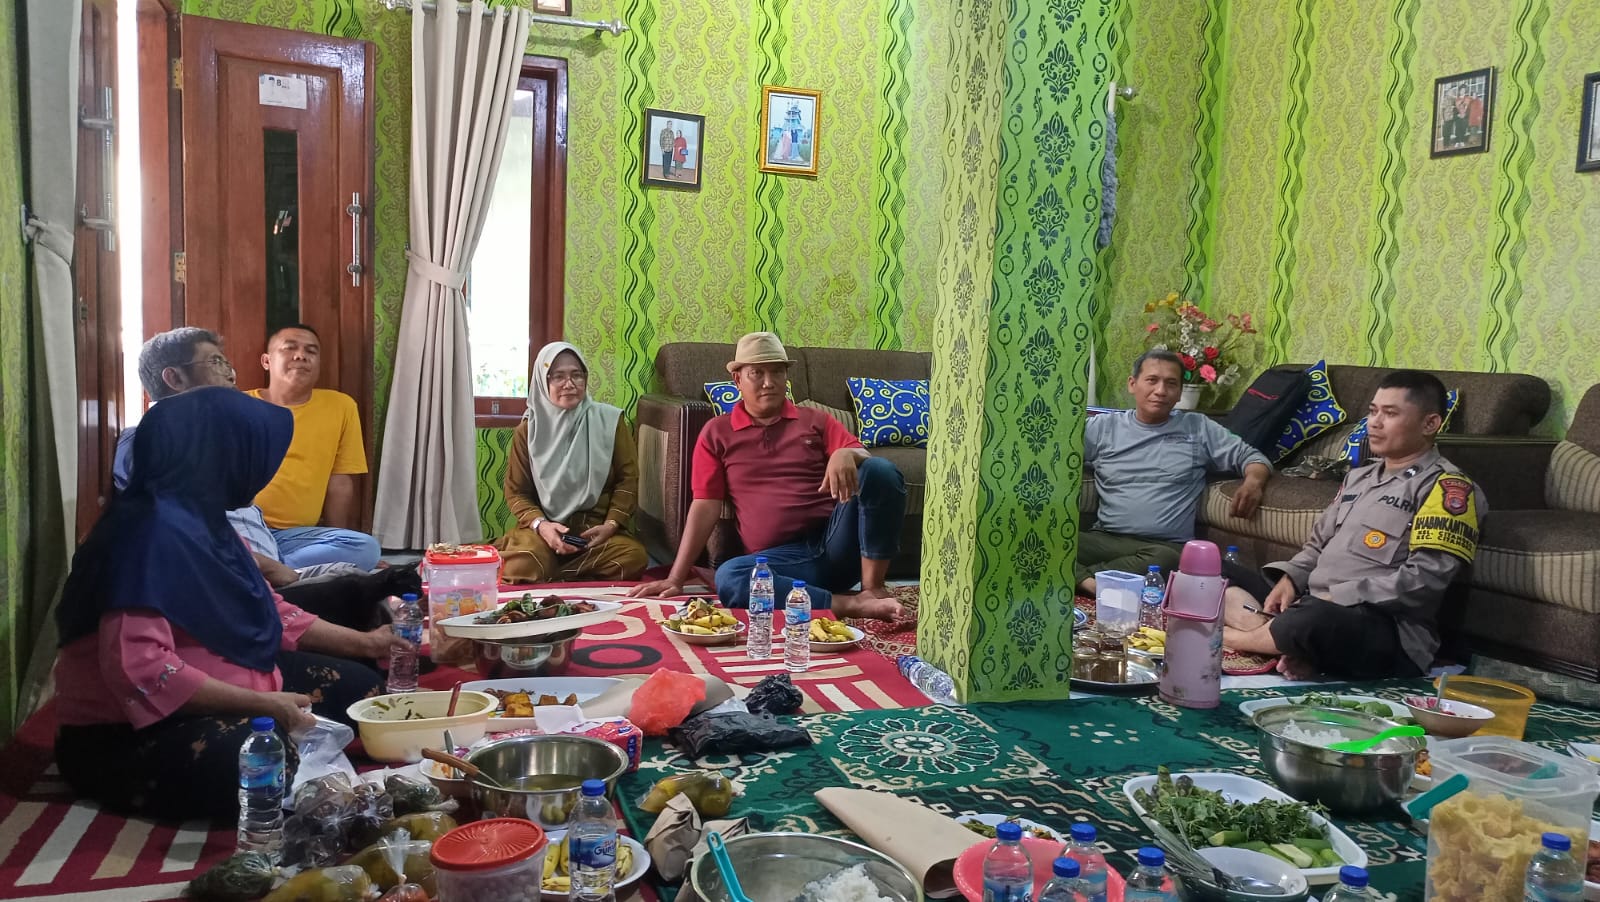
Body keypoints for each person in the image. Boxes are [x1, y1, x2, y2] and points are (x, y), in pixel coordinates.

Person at [53, 387, 407, 822]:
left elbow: (272, 612)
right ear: (218, 456)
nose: (264, 471)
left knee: (365, 695)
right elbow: (140, 669)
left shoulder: (203, 522)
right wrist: (261, 704)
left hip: (237, 686)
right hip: (124, 732)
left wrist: (368, 643)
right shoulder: (143, 539)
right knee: (258, 762)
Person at [115, 328, 417, 638]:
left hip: (264, 562)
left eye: (226, 362)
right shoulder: (148, 443)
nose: (231, 373)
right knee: (371, 591)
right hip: (240, 585)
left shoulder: (210, 434)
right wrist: (268, 567)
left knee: (368, 572)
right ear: (174, 378)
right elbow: (184, 536)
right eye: (216, 362)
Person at [1222, 370, 1487, 680]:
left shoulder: (1446, 488)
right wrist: (1291, 580)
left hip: (1381, 626)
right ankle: (1280, 640)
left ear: (1430, 424)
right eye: (1373, 411)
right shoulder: (1358, 478)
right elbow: (1316, 546)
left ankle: (1234, 638)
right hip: (1313, 602)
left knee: (1312, 620)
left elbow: (1424, 581)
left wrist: (1341, 596)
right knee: (1208, 568)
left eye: (1390, 414)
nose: (1374, 422)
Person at [630, 333, 904, 620]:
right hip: (780, 563)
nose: (768, 382)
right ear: (737, 379)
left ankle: (873, 589)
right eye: (757, 373)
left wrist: (846, 453)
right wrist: (675, 577)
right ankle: (851, 605)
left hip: (836, 543)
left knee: (879, 470)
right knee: (730, 577)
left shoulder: (814, 420)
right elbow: (705, 505)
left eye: (777, 372)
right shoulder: (716, 433)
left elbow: (864, 456)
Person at [1077, 349, 1271, 591]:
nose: (1161, 390)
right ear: (1132, 384)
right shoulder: (1103, 427)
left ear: (1179, 392)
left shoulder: (1197, 427)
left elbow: (1252, 457)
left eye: (1171, 383)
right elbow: (1057, 456)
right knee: (1046, 538)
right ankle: (1094, 583)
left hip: (1165, 547)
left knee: (1167, 560)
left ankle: (1082, 580)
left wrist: (1253, 482)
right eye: (1152, 380)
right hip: (1106, 538)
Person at [492, 342, 648, 583]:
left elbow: (627, 479)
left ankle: (548, 574)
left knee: (633, 557)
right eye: (558, 377)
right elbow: (516, 492)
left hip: (593, 531)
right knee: (527, 561)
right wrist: (542, 526)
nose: (569, 384)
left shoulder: (609, 421)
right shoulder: (528, 430)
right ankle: (556, 571)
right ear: (543, 382)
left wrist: (611, 524)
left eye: (577, 375)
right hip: (543, 532)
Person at [249, 323, 381, 571]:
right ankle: (267, 568)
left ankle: (264, 569)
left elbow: (340, 481)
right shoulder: (240, 404)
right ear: (266, 361)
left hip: (296, 538)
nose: (301, 355)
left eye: (311, 351)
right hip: (244, 530)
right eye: (289, 348)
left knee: (366, 547)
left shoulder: (340, 407)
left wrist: (339, 545)